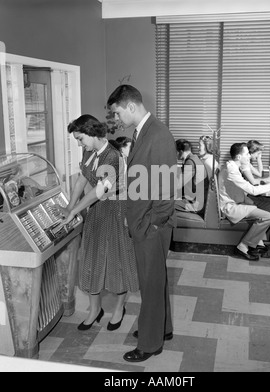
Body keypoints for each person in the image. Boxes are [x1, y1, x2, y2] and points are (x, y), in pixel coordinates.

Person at [107, 84, 177, 362]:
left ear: (131, 106)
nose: (116, 119)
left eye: (117, 112)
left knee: (149, 283)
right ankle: (163, 329)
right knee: (155, 280)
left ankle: (150, 344)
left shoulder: (157, 135)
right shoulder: (143, 132)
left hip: (152, 226)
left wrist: (151, 224)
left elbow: (166, 189)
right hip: (145, 221)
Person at [55, 114, 138, 332]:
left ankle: (119, 308)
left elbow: (98, 191)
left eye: (81, 138)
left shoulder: (112, 156)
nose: (79, 143)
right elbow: (82, 180)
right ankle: (94, 310)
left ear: (93, 133)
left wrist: (74, 211)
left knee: (116, 261)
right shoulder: (90, 152)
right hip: (95, 212)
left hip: (115, 211)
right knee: (91, 260)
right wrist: (69, 206)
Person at [218, 142, 270, 261]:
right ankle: (243, 246)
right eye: (247, 154)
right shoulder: (231, 171)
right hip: (230, 206)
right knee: (267, 217)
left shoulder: (232, 167)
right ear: (239, 157)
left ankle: (257, 243)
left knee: (264, 208)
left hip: (236, 201)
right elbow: (252, 190)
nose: (249, 156)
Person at [240, 140, 270, 227]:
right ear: (251, 152)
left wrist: (259, 159)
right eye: (258, 153)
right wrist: (268, 182)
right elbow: (253, 181)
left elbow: (260, 174)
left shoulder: (248, 163)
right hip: (245, 195)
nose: (259, 155)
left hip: (248, 192)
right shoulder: (244, 164)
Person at [175, 138, 207, 216]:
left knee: (164, 202)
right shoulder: (194, 159)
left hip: (195, 204)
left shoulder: (190, 162)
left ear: (180, 152)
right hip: (195, 199)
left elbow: (178, 184)